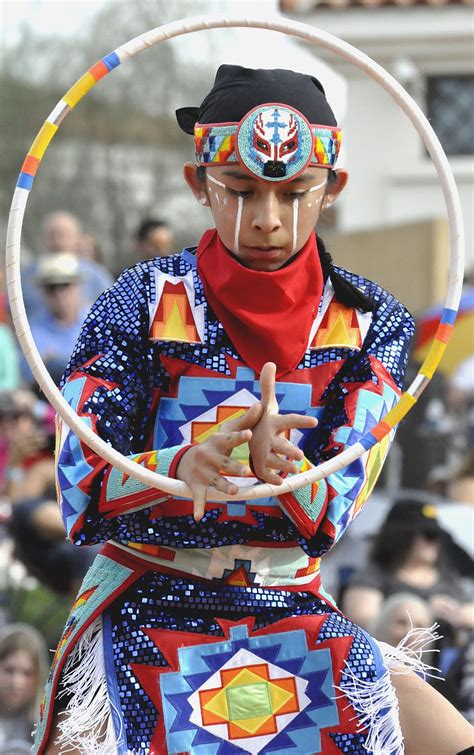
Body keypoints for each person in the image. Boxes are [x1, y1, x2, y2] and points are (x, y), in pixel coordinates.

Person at [35, 66, 472, 754]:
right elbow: (79, 490)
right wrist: (180, 467)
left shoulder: (370, 323)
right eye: (240, 190)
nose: (267, 218)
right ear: (197, 184)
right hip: (147, 600)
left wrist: (284, 469)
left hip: (291, 607)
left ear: (332, 190)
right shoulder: (136, 304)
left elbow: (332, 513)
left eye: (295, 191)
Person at [342, 499, 473, 635]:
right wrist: (424, 612)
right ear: (402, 536)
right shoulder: (374, 576)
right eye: (429, 535)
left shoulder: (449, 578)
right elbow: (361, 622)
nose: (434, 543)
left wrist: (464, 615)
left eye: (438, 536)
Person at [22, 211, 113, 318]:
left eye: (64, 235)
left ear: (77, 239)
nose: (58, 241)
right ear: (44, 239)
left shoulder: (95, 274)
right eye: (52, 235)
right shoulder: (28, 275)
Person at [20, 253, 89, 387]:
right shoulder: (31, 332)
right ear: (42, 292)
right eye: (51, 287)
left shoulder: (98, 323)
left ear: (78, 287)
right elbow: (30, 379)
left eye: (65, 285)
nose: (59, 294)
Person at [0, 623, 48, 752]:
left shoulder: (44, 731)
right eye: (9, 670)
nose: (16, 683)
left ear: (38, 677)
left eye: (27, 673)